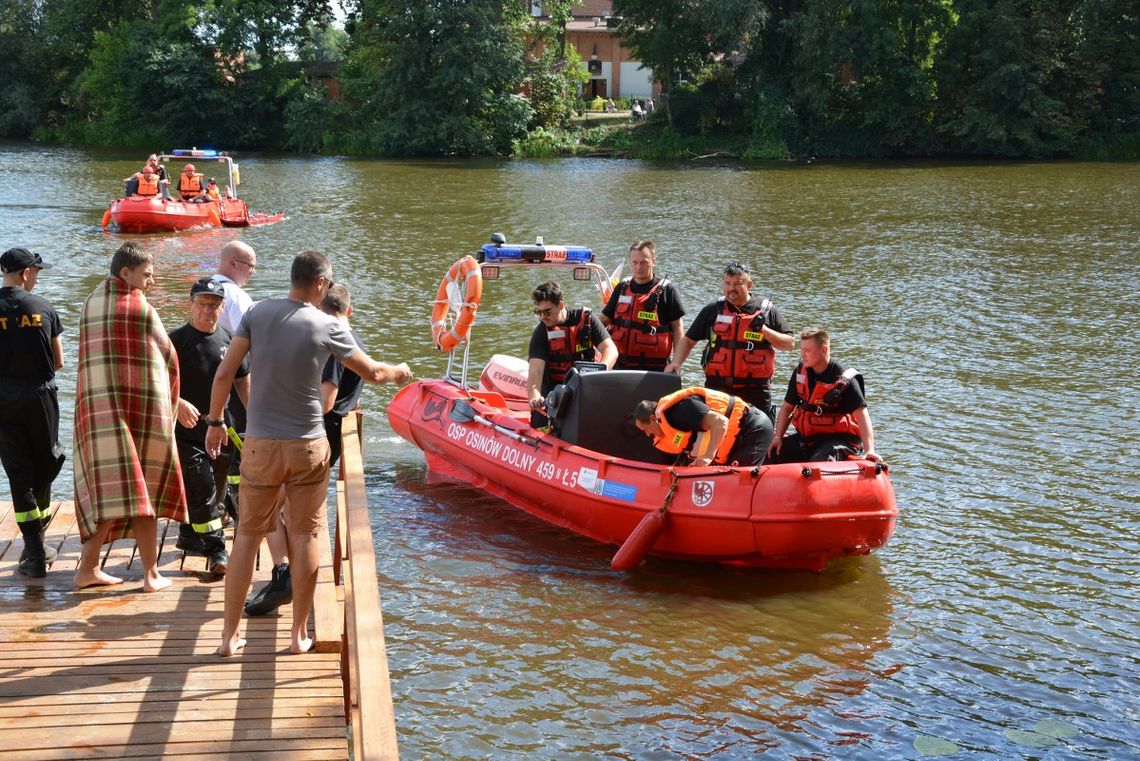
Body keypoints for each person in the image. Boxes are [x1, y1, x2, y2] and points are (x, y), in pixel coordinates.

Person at [204, 250, 413, 657]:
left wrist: (215, 424)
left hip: (261, 444)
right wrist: (400, 370)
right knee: (305, 535)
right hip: (307, 446)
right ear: (320, 284)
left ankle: (229, 637)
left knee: (247, 535)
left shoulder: (257, 314)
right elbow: (372, 372)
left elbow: (225, 372)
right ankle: (299, 634)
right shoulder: (328, 324)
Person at [73, 242, 187, 591]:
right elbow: (166, 360)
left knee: (115, 491)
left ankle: (87, 569)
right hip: (136, 413)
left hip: (97, 413)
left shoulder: (91, 303)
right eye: (147, 275)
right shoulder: (139, 308)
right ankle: (152, 575)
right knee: (144, 490)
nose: (151, 282)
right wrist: (170, 405)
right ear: (126, 273)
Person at [169, 278, 251, 575]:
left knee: (214, 487)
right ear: (190, 304)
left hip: (222, 426)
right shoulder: (175, 341)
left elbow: (242, 380)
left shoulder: (231, 339)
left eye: (214, 305)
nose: (207, 310)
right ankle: (218, 550)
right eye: (202, 304)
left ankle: (189, 534)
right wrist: (177, 402)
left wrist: (253, 417)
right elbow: (156, 381)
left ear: (222, 307)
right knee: (201, 486)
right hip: (186, 428)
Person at [0, 247, 65, 578]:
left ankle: (35, 551)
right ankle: (37, 544)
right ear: (25, 273)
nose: (37, 278)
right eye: (36, 272)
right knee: (47, 461)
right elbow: (60, 361)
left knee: (17, 470)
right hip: (39, 395)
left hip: (2, 397)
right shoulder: (42, 307)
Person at [665, 262, 794, 420]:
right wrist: (676, 363)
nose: (731, 288)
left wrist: (765, 331)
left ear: (749, 284)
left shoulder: (767, 311)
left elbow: (789, 344)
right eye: (727, 283)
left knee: (759, 433)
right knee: (715, 430)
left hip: (755, 391)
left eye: (737, 284)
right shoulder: (712, 310)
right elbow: (689, 340)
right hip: (718, 387)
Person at [767, 327, 881, 463]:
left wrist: (870, 451)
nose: (803, 355)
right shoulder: (799, 373)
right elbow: (787, 407)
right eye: (801, 350)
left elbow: (862, 415)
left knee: (820, 462)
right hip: (808, 440)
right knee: (770, 454)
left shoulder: (845, 379)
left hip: (838, 440)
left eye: (807, 351)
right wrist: (778, 437)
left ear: (824, 350)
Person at [527, 280, 617, 427]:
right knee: (540, 421)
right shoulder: (541, 332)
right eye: (538, 312)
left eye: (547, 312)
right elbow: (535, 371)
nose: (542, 317)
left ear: (560, 305)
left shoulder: (588, 320)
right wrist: (535, 396)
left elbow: (611, 350)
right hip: (555, 390)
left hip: (586, 385)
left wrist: (600, 371)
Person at [632, 387, 773, 467]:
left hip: (753, 429)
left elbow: (721, 422)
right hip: (732, 441)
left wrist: (708, 456)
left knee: (737, 478)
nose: (647, 435)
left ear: (652, 419)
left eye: (645, 429)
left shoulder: (682, 409)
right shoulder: (665, 432)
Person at [601, 239, 685, 372]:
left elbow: (678, 328)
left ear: (653, 261)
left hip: (655, 369)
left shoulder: (667, 290)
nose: (639, 267)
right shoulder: (622, 287)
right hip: (620, 366)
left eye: (644, 262)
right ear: (630, 262)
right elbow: (603, 320)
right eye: (635, 262)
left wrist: (677, 362)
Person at [319, 284, 364, 470]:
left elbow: (325, 403)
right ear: (350, 310)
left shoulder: (337, 344)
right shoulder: (356, 341)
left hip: (323, 432)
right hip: (336, 431)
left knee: (288, 492)